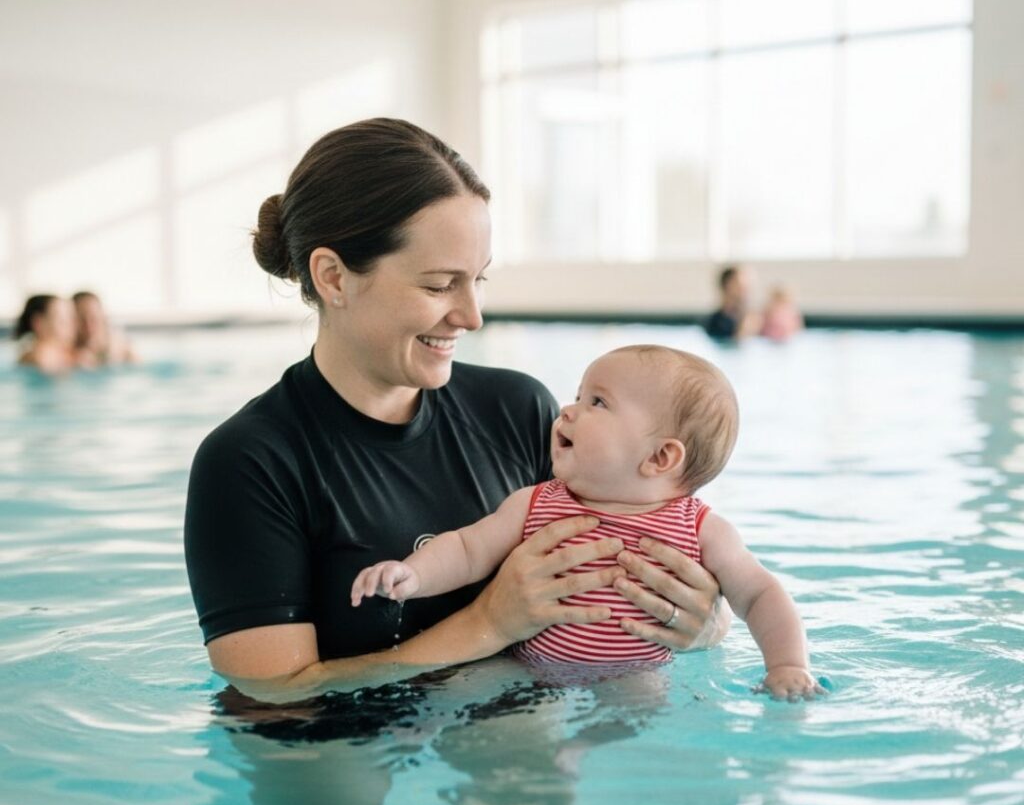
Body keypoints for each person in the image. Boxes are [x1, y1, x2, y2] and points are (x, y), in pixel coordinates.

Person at [184, 118, 729, 705]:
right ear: (333, 277)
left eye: (479, 280)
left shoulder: (518, 411)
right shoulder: (252, 461)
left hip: (512, 715)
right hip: (336, 739)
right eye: (441, 285)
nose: (472, 316)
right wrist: (489, 624)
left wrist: (699, 621)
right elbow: (273, 694)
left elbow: (647, 555)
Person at [352, 345, 821, 700]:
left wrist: (785, 664)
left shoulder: (701, 530)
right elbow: (467, 550)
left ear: (660, 456)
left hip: (634, 673)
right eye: (578, 395)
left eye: (598, 402)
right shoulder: (536, 503)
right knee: (463, 696)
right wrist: (411, 575)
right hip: (527, 666)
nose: (568, 409)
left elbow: (760, 595)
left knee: (640, 717)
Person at [12, 294, 81, 373]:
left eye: (72, 318)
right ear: (38, 323)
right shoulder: (42, 357)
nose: (73, 325)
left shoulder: (68, 356)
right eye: (63, 320)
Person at [73, 291, 138, 365]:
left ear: (102, 316)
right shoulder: (69, 352)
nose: (88, 325)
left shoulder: (121, 348)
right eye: (81, 319)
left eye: (93, 318)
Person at [705, 265, 762, 340]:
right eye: (739, 285)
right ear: (727, 286)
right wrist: (744, 330)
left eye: (746, 286)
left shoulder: (755, 320)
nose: (745, 289)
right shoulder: (714, 323)